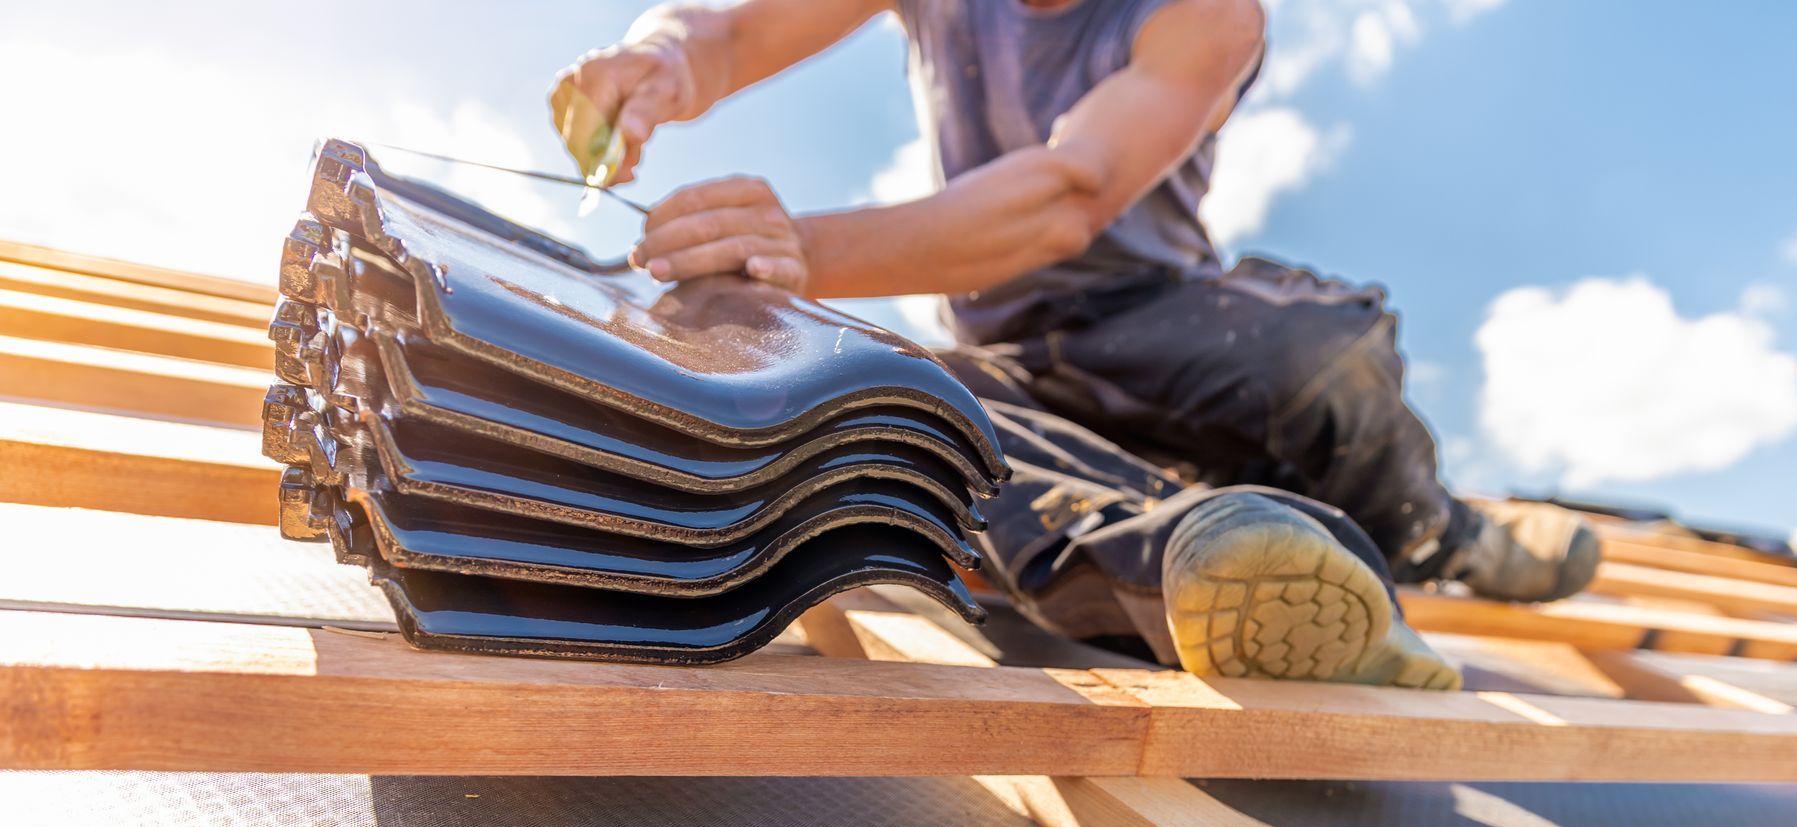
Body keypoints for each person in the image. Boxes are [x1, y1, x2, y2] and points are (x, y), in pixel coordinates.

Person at [548, 0, 1600, 689]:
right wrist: (664, 57)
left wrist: (804, 249)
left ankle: (1434, 532)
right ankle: (1194, 553)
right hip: (1018, 365)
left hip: (1168, 337)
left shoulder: (1207, 14)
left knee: (1317, 356)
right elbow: (730, 31)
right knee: (903, 403)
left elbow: (1069, 192)